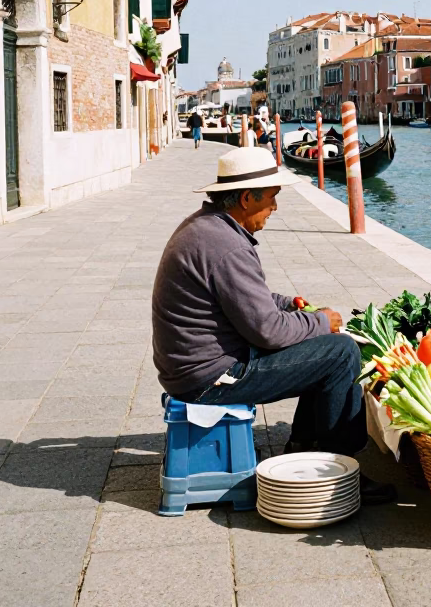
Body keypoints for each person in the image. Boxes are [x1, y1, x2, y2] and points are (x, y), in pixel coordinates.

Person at [151, 147, 395, 505]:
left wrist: (288, 305)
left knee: (319, 344)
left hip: (192, 368)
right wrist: (318, 321)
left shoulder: (206, 227)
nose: (275, 208)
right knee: (341, 352)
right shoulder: (226, 246)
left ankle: (304, 446)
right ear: (247, 199)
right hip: (210, 379)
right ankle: (339, 467)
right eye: (271, 199)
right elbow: (268, 332)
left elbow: (249, 298)